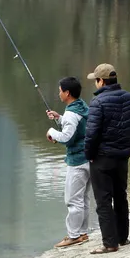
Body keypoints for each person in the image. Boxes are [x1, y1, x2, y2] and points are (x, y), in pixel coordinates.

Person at [84, 63, 130, 255]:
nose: (95, 84)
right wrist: (128, 150)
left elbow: (91, 134)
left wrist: (89, 156)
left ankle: (110, 243)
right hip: (122, 158)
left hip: (102, 159)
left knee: (103, 200)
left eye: (96, 80)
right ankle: (122, 237)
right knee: (121, 196)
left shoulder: (98, 103)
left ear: (102, 81)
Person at [45, 77, 91, 248]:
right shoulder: (81, 106)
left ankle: (73, 235)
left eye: (60, 90)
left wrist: (51, 131)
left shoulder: (72, 113)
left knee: (73, 200)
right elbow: (76, 126)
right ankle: (83, 232)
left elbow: (67, 137)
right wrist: (59, 119)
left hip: (78, 162)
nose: (59, 93)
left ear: (67, 93)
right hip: (88, 158)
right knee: (83, 199)